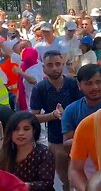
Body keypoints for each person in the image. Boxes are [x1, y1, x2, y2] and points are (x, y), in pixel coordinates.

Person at [30, 50, 82, 190]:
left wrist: (68, 115)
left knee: (81, 176)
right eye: (50, 65)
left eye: (58, 64)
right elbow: (33, 117)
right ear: (44, 68)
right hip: (56, 140)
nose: (55, 68)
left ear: (63, 64)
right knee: (65, 178)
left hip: (78, 137)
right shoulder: (39, 88)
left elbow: (84, 109)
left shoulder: (73, 84)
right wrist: (52, 115)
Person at [0, 111, 55, 190]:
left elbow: (46, 184)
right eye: (16, 129)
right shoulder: (5, 152)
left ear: (34, 131)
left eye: (26, 129)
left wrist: (22, 186)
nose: (20, 133)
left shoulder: (43, 153)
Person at [62, 64, 101, 146]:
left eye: (99, 82)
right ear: (79, 85)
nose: (95, 87)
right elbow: (66, 144)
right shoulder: (71, 111)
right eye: (89, 83)